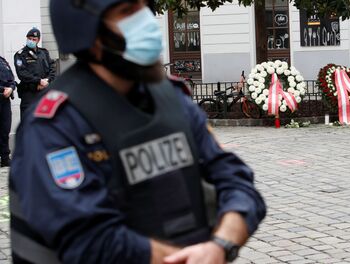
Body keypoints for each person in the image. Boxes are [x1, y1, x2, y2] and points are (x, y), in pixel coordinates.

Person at [9, 0, 266, 263]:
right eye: (128, 11)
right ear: (90, 33)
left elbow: (236, 180)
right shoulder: (54, 125)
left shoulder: (173, 100)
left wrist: (220, 245)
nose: (145, 20)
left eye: (145, 7)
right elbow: (88, 240)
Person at [14, 27, 55, 118]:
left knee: (45, 121)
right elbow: (22, 73)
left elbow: (52, 68)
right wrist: (39, 81)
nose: (31, 41)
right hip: (29, 93)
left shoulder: (44, 53)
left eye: (34, 39)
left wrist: (47, 81)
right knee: (27, 121)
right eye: (29, 39)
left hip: (45, 91)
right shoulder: (20, 55)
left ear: (38, 40)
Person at [0, 56, 15, 167]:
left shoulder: (2, 60)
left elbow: (11, 78)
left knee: (5, 130)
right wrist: (3, 89)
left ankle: (5, 158)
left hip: (5, 100)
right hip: (2, 93)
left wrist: (11, 88)